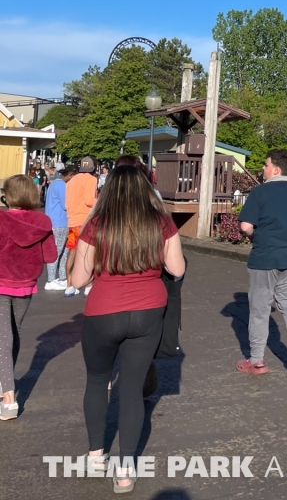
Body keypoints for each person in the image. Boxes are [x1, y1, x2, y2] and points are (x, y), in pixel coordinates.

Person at [70, 165, 185, 491]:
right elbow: (176, 269)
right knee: (132, 391)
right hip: (149, 311)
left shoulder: (96, 226)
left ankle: (95, 456)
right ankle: (125, 471)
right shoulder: (162, 223)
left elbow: (79, 280)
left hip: (103, 311)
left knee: (97, 380)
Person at [236, 148, 287, 383]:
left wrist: (256, 235)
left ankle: (257, 361)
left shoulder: (260, 192)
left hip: (265, 258)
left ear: (275, 169)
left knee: (260, 310)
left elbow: (245, 226)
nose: (263, 168)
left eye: (265, 164)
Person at [0, 175, 57, 421]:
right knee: (12, 332)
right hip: (26, 284)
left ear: (7, 196)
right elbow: (51, 256)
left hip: (1, 281)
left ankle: (9, 396)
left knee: (3, 336)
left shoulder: (1, 219)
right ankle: (5, 382)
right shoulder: (42, 222)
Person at [64, 156, 99, 297]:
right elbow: (89, 200)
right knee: (87, 253)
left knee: (72, 253)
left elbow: (66, 204)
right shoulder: (91, 179)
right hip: (84, 221)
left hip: (72, 220)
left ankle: (69, 285)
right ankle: (88, 285)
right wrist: (102, 200)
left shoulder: (71, 181)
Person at [44, 167, 71, 290]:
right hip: (59, 221)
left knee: (64, 251)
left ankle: (62, 277)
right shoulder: (61, 185)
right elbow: (65, 205)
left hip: (56, 221)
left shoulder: (54, 183)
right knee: (57, 251)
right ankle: (50, 280)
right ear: (69, 175)